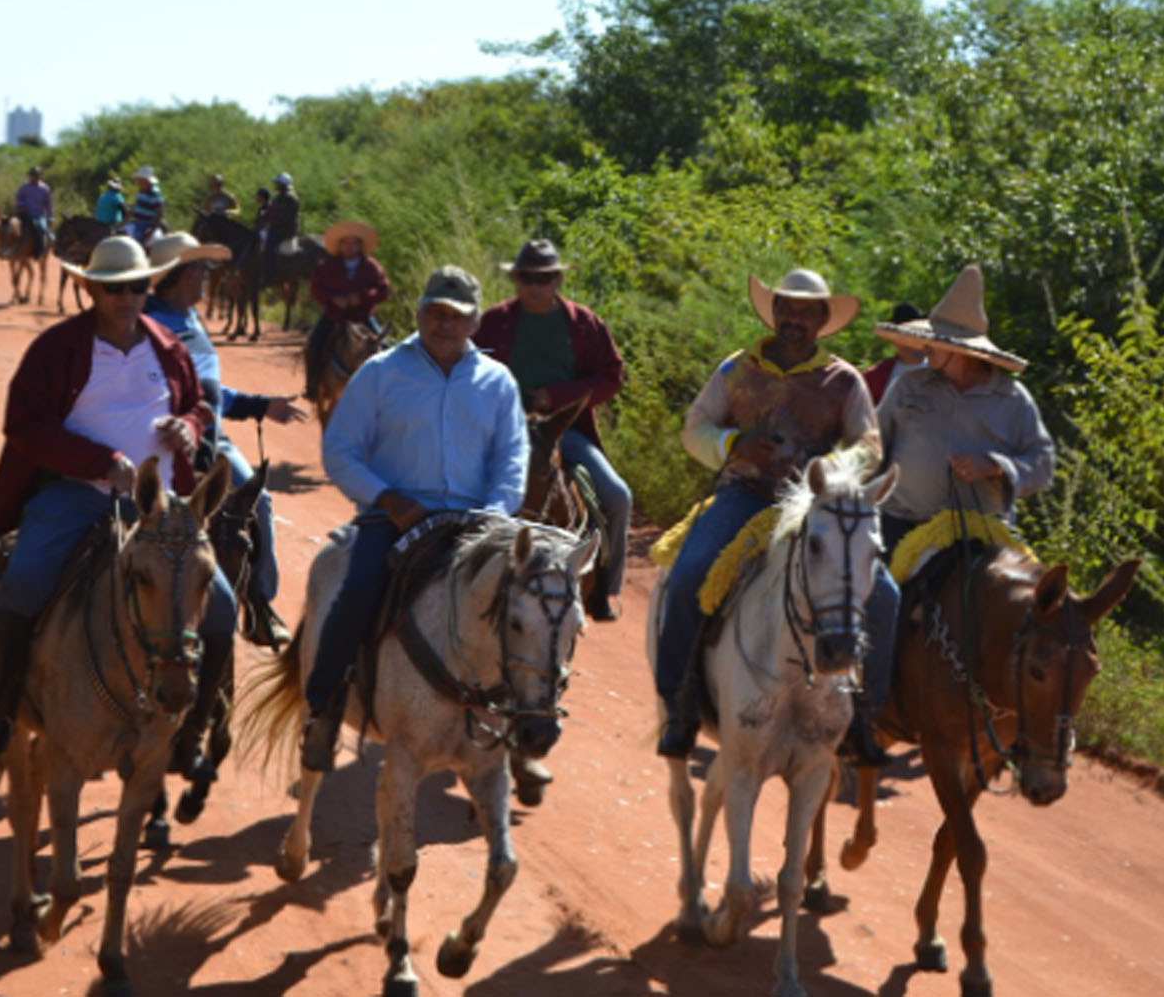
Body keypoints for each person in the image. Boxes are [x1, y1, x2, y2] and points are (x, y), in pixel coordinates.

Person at [0, 235, 238, 761]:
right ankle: (0, 708)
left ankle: (193, 728)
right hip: (76, 495)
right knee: (20, 585)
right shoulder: (56, 349)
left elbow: (194, 407)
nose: (127, 296)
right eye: (114, 287)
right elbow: (23, 426)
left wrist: (187, 428)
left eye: (137, 285)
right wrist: (100, 463)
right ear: (91, 287)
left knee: (222, 607)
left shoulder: (168, 345)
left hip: (161, 510)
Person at [657, 269, 898, 765]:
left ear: (821, 320)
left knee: (885, 595)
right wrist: (732, 444)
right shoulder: (737, 369)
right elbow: (694, 426)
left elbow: (868, 446)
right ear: (775, 312)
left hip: (815, 507)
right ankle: (679, 703)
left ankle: (867, 712)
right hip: (743, 494)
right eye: (787, 308)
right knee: (688, 574)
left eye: (807, 311)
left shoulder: (843, 379)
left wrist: (828, 471)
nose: (795, 318)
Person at [300, 265, 528, 772]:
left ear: (474, 324)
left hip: (475, 520)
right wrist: (386, 498)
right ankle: (324, 709)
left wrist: (494, 513)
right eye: (435, 313)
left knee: (530, 604)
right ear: (420, 311)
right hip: (395, 517)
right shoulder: (381, 373)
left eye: (457, 316)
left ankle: (521, 721)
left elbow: (512, 459)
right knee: (358, 589)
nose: (444, 324)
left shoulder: (497, 382)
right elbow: (340, 449)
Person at [144, 231, 306, 648]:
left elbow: (211, 391)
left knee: (258, 501)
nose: (207, 277)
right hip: (172, 444)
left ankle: (257, 604)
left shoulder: (192, 320)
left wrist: (259, 405)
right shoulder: (155, 324)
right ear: (179, 275)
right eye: (201, 269)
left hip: (212, 438)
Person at [474, 239, 631, 621]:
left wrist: (557, 396)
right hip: (501, 430)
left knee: (617, 496)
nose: (534, 286)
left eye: (543, 278)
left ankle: (604, 590)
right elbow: (469, 370)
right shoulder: (493, 322)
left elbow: (612, 376)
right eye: (527, 278)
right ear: (516, 280)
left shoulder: (584, 323)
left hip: (565, 430)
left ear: (557, 279)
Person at [873, 265, 1055, 554]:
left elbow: (1043, 464)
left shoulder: (1012, 398)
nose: (925, 347)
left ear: (961, 351)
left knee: (1022, 594)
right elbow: (873, 445)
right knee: (873, 595)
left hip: (982, 532)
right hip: (902, 524)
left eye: (936, 343)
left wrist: (995, 466)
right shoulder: (909, 385)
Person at [304, 219, 390, 400]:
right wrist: (333, 299)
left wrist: (361, 297)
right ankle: (312, 384)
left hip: (362, 316)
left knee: (386, 348)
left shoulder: (371, 266)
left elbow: (383, 289)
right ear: (340, 245)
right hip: (334, 316)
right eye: (346, 243)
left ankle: (388, 390)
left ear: (360, 246)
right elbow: (316, 289)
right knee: (315, 342)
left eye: (354, 243)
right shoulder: (326, 266)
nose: (350, 247)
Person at [862, 302, 928, 404]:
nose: (911, 342)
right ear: (893, 339)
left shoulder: (944, 371)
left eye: (916, 335)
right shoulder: (875, 376)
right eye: (904, 336)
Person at [261, 171, 299, 290]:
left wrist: (271, 223)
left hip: (285, 230)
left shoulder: (291, 198)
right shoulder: (278, 197)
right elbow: (271, 211)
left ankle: (270, 276)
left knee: (269, 246)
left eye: (277, 183)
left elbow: (285, 217)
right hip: (276, 228)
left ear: (282, 185)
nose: (275, 185)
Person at [14, 166, 54, 259]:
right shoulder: (24, 187)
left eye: (37, 175)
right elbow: (18, 198)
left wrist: (51, 216)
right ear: (29, 176)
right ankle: (11, 249)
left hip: (38, 215)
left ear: (40, 176)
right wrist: (22, 204)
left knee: (41, 229)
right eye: (33, 175)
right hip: (24, 214)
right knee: (12, 226)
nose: (35, 177)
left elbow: (48, 204)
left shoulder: (45, 188)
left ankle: (39, 251)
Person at [123, 166, 164, 244]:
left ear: (144, 180)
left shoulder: (154, 192)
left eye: (138, 178)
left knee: (135, 240)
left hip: (146, 223)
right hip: (137, 221)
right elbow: (136, 206)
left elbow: (159, 212)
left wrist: (152, 229)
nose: (137, 180)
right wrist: (125, 220)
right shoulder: (141, 190)